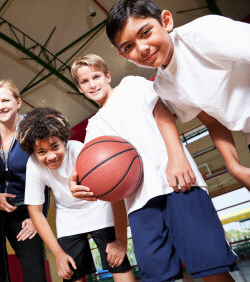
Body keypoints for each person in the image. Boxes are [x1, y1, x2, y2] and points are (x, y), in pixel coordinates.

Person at [69, 54, 238, 281]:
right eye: (85, 82)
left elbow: (162, 113)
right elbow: (94, 171)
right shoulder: (94, 127)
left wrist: (177, 157)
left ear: (107, 76)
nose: (92, 84)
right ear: (79, 88)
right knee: (158, 276)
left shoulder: (131, 85)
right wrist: (78, 183)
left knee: (211, 267)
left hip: (177, 184)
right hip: (139, 204)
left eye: (96, 76)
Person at [105, 0, 250, 188]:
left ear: (166, 21)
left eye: (146, 33)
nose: (142, 48)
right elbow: (213, 122)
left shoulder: (203, 32)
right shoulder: (164, 87)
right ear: (123, 56)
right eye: (128, 47)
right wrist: (235, 167)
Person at [18, 107, 135, 282]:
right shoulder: (34, 165)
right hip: (68, 215)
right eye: (41, 152)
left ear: (64, 140)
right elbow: (35, 212)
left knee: (117, 262)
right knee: (70, 271)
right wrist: (58, 254)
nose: (50, 156)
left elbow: (112, 193)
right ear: (33, 151)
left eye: (55, 147)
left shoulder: (79, 150)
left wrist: (120, 242)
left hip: (98, 206)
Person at [0, 79, 47, 282]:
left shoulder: (33, 132)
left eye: (6, 100)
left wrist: (37, 217)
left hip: (24, 208)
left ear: (18, 102)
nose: (0, 106)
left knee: (34, 268)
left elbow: (45, 176)